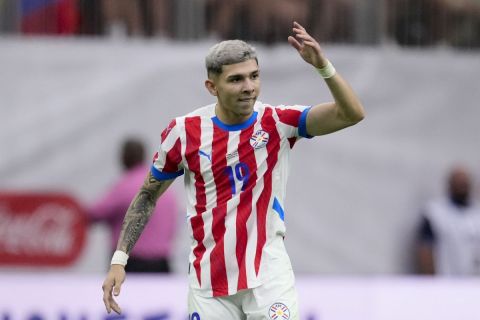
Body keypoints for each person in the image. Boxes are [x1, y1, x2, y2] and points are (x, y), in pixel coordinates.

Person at [101, 21, 365, 318]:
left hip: (267, 277)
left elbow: (351, 113)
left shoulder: (278, 122)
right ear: (212, 87)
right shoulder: (184, 133)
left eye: (254, 76)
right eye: (236, 79)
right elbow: (148, 195)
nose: (249, 87)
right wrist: (119, 260)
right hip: (209, 284)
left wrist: (323, 66)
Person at [90, 138, 178, 273]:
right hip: (162, 264)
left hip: (131, 263)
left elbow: (95, 214)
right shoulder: (164, 186)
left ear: (124, 158)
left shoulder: (123, 187)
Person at [416, 165, 480, 275]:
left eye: (464, 183)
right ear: (450, 184)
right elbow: (425, 248)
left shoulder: (477, 212)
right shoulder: (435, 212)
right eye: (458, 183)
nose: (462, 186)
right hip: (446, 281)